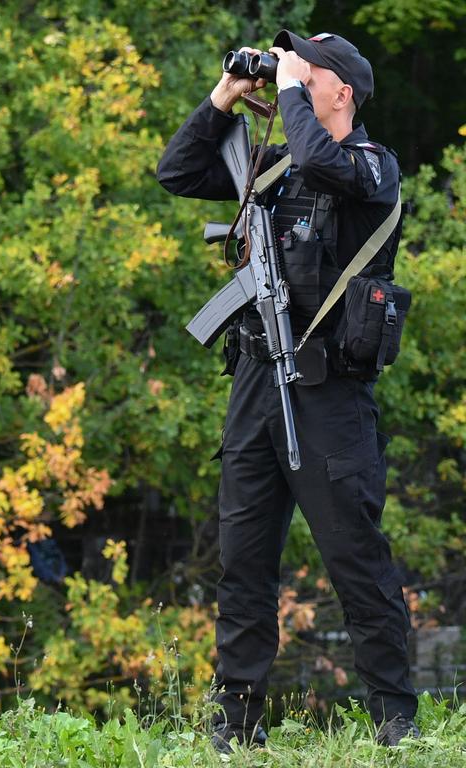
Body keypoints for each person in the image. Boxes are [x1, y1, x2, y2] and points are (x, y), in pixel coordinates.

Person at [156, 30, 418, 752]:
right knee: (242, 561)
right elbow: (176, 172)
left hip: (329, 398)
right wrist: (225, 97)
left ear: (344, 90)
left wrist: (293, 87)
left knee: (356, 561)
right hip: (254, 384)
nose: (293, 72)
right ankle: (236, 726)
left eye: (312, 68)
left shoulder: (370, 169)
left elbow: (321, 158)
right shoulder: (275, 167)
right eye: (293, 64)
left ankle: (397, 719)